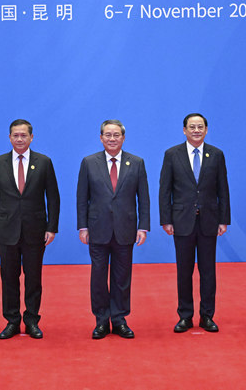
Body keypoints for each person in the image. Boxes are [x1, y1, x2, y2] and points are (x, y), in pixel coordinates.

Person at [0, 119, 60, 340]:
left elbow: (53, 197)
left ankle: (31, 321)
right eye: (15, 135)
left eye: (24, 135)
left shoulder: (44, 162)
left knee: (33, 278)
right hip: (6, 230)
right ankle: (12, 321)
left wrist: (51, 227)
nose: (19, 139)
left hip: (35, 230)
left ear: (31, 137)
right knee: (9, 278)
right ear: (9, 137)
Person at [76, 119, 149, 339]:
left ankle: (119, 320)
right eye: (107, 135)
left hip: (126, 229)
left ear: (123, 138)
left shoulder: (136, 163)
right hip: (97, 229)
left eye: (116, 135)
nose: (112, 138)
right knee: (98, 278)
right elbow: (82, 198)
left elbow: (143, 198)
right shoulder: (89, 162)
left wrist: (143, 227)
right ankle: (101, 321)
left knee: (122, 278)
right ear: (101, 138)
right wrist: (83, 226)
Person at [159, 113, 230, 333]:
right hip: (182, 221)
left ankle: (207, 316)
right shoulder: (172, 154)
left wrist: (224, 219)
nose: (196, 130)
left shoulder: (216, 154)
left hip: (209, 221)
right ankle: (185, 316)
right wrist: (166, 219)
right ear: (184, 130)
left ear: (206, 130)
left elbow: (223, 189)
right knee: (184, 271)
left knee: (208, 271)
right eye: (192, 127)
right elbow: (165, 190)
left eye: (200, 127)